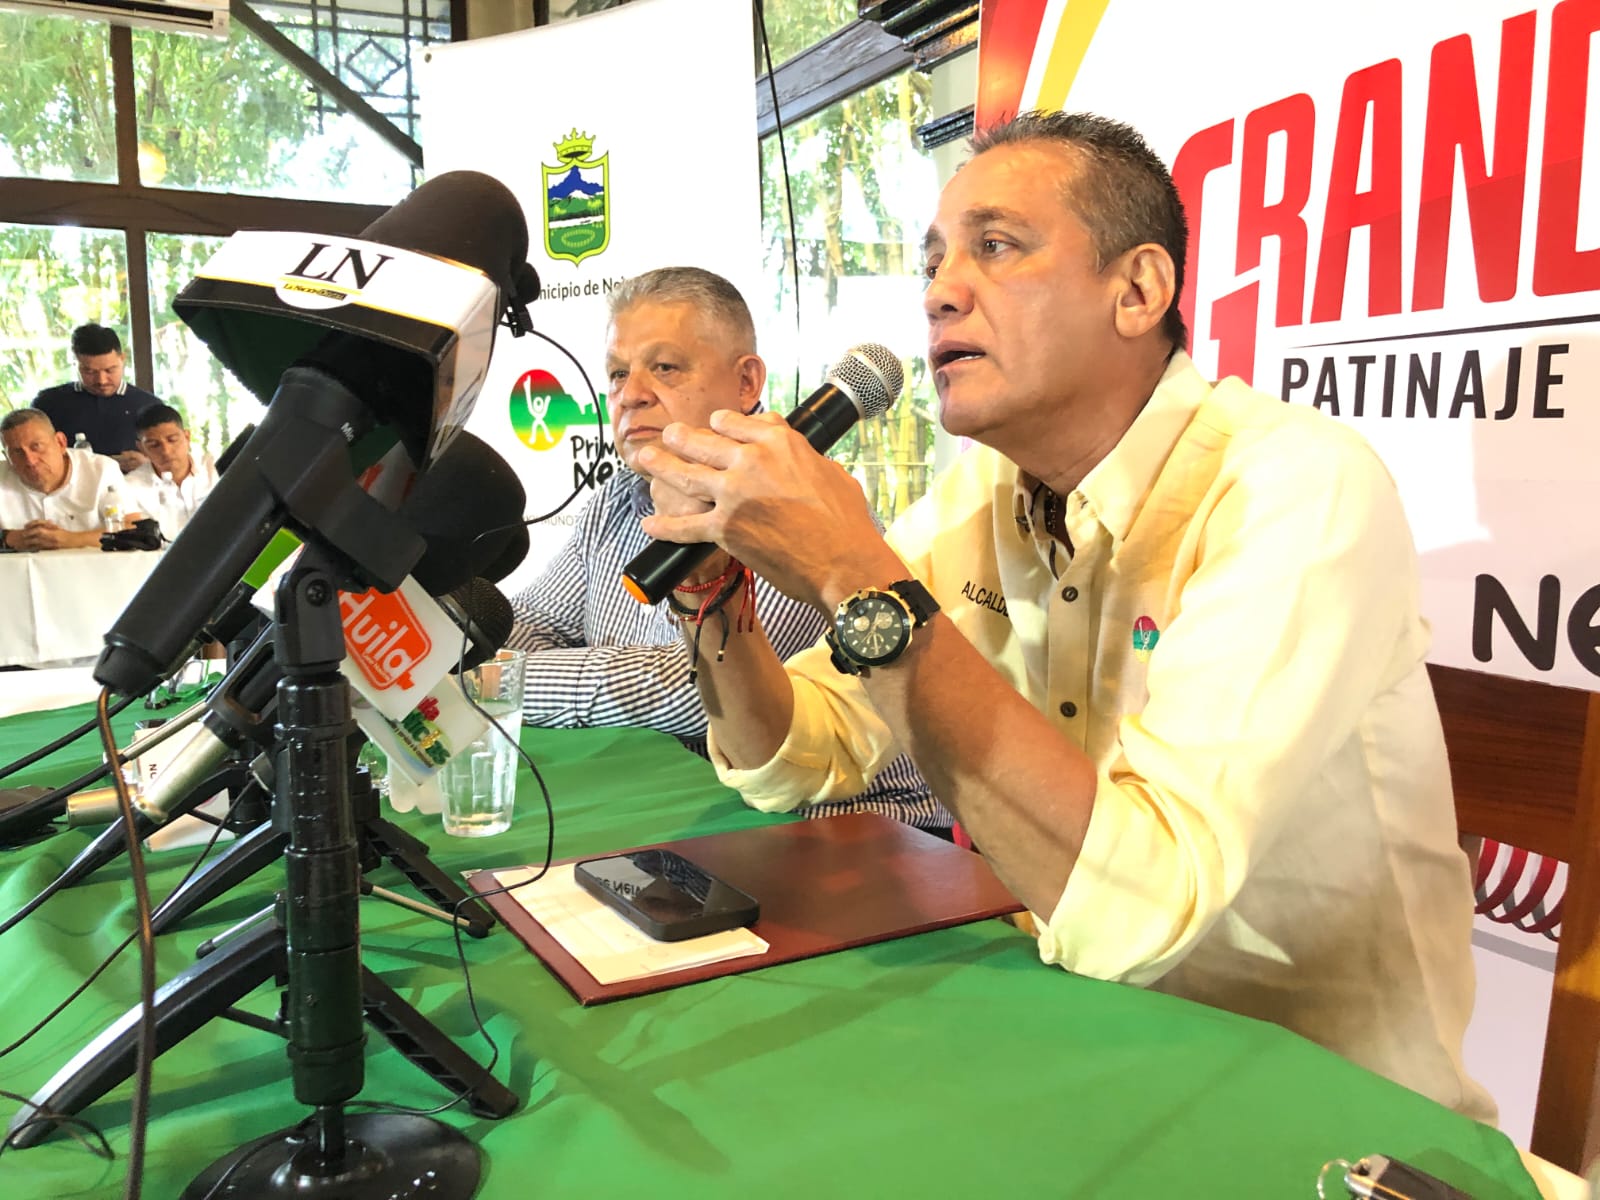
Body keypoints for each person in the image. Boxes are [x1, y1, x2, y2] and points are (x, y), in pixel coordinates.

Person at [631, 112, 1494, 1119]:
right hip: (1092, 1056)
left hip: (1327, 1115)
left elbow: (1142, 902)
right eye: (934, 262)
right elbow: (795, 758)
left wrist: (852, 569)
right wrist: (713, 598)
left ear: (1138, 291)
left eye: (996, 246)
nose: (940, 291)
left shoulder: (1293, 485)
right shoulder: (983, 493)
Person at [504, 266, 947, 832]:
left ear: (746, 383)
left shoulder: (795, 505)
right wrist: (501, 666)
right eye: (617, 373)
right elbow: (530, 624)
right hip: (686, 811)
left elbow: (693, 689)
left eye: (665, 368)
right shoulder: (616, 499)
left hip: (849, 832)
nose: (631, 395)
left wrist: (497, 683)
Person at [31, 323, 161, 472]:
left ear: (122, 359)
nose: (101, 380)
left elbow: (172, 460)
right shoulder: (48, 403)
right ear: (74, 363)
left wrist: (148, 465)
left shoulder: (150, 405)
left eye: (110, 370)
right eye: (90, 372)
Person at [0, 408, 124, 550]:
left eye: (36, 447)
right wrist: (9, 538)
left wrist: (71, 539)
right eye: (17, 452)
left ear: (60, 442)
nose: (30, 461)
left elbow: (130, 529)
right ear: (7, 456)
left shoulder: (101, 469)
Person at [123, 404, 218, 540]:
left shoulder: (212, 469)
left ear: (187, 437)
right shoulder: (130, 487)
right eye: (154, 445)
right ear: (141, 448)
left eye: (172, 440)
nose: (166, 451)